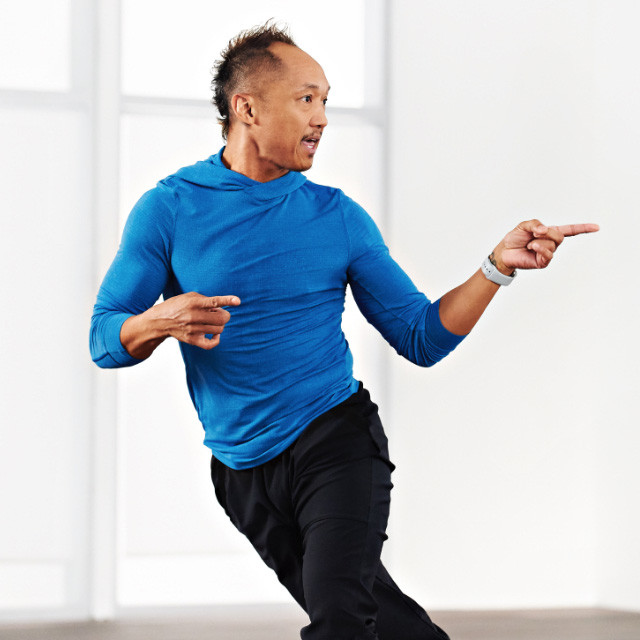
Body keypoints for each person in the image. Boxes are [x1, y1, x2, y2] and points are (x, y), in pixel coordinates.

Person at [90, 22, 599, 640]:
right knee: (376, 618)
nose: (323, 118)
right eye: (307, 98)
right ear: (246, 107)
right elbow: (104, 339)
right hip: (240, 468)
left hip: (336, 440)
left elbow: (421, 337)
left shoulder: (337, 216)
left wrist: (495, 268)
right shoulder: (169, 209)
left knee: (339, 618)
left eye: (325, 100)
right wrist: (157, 320)